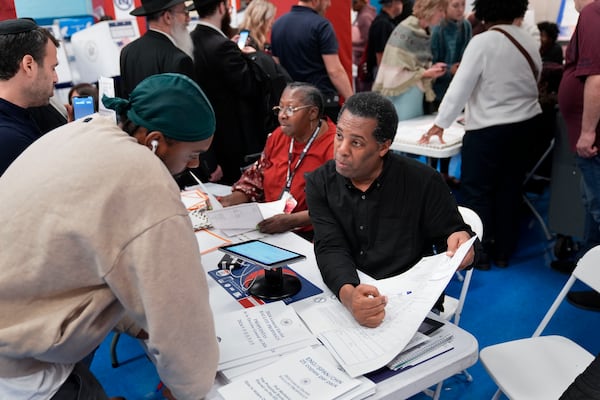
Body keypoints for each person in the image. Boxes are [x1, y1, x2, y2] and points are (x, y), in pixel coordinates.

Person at [0, 73, 219, 399]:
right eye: (192, 154)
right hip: (23, 371)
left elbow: (75, 255)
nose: (197, 164)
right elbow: (178, 316)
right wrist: (190, 387)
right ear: (155, 140)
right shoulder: (145, 178)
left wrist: (133, 321)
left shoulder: (83, 132)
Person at [305, 92, 475, 328]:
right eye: (339, 136)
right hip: (350, 286)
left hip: (412, 298)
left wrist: (462, 241)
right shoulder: (320, 182)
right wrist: (349, 296)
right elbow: (330, 246)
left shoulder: (423, 181)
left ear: (384, 146)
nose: (342, 150)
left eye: (356, 142)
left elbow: (453, 231)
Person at [422, 0, 542, 269]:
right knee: (510, 188)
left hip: (488, 129)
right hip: (526, 125)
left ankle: (479, 253)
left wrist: (441, 122)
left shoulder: (482, 41)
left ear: (483, 10)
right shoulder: (530, 40)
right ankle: (503, 251)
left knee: (477, 191)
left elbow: (460, 87)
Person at [218, 82, 334, 241]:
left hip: (311, 235)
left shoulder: (334, 147)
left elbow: (337, 206)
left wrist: (292, 221)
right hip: (269, 226)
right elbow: (256, 177)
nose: (282, 115)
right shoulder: (279, 135)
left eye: (291, 109)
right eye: (280, 108)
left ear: (312, 113)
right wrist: (232, 200)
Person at [191, 0, 268, 185]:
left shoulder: (191, 39)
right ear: (221, 8)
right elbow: (249, 87)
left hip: (209, 140)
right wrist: (249, 57)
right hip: (232, 139)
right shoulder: (222, 46)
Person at [557, 0, 600, 310]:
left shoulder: (592, 12)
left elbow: (597, 77)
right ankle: (590, 268)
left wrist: (588, 132)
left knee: (598, 207)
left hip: (595, 139)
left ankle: (596, 281)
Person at [270, 0, 353, 123]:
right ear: (315, 1)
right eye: (326, 1)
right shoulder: (322, 26)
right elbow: (335, 71)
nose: (329, 4)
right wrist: (352, 100)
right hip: (322, 104)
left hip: (293, 105)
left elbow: (277, 67)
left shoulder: (278, 25)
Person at [0, 18, 59, 176]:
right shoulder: (9, 140)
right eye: (52, 68)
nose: (56, 78)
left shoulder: (18, 117)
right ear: (29, 65)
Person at [372, 0, 448, 121]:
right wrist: (425, 73)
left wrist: (431, 69)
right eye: (441, 10)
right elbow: (393, 72)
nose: (443, 15)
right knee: (403, 130)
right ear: (431, 9)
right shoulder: (406, 30)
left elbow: (415, 64)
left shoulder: (424, 31)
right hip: (401, 94)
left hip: (415, 92)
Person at [428, 0, 471, 187]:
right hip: (437, 89)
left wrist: (463, 68)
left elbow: (468, 53)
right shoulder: (437, 28)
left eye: (462, 4)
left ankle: (444, 174)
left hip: (459, 88)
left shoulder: (466, 25)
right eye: (455, 5)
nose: (461, 9)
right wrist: (448, 71)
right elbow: (431, 62)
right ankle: (430, 177)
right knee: (434, 133)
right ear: (444, 8)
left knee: (451, 133)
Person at [119, 0, 195, 100]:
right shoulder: (179, 59)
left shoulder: (127, 51)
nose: (188, 19)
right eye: (185, 12)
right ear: (168, 17)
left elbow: (125, 102)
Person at [360, 0, 404, 91]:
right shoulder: (382, 24)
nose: (402, 5)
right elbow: (380, 53)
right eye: (400, 2)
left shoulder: (387, 21)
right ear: (392, 3)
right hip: (382, 72)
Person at [351, 0, 377, 68]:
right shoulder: (367, 13)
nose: (351, 5)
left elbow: (368, 40)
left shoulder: (364, 17)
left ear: (362, 2)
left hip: (360, 58)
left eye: (354, 2)